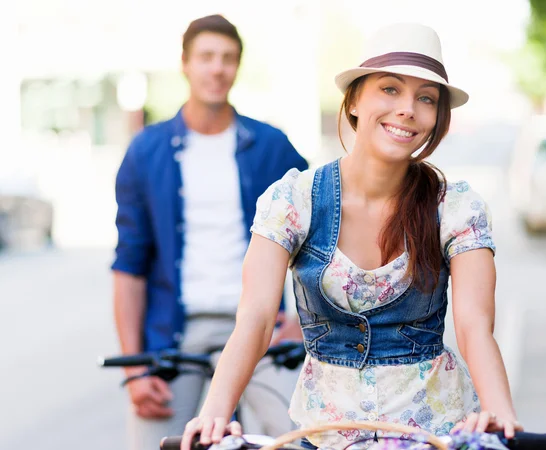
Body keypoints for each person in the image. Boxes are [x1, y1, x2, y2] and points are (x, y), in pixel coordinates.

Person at [180, 22, 523, 450]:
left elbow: (475, 326)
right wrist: (214, 414)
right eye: (390, 89)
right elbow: (255, 317)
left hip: (431, 433)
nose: (408, 110)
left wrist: (502, 415)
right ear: (355, 100)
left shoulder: (455, 208)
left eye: (426, 98)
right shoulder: (293, 200)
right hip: (323, 435)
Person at [111, 14, 308, 450]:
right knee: (154, 443)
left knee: (298, 438)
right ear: (185, 64)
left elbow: (320, 239)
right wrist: (134, 373)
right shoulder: (146, 151)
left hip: (261, 328)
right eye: (206, 57)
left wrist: (299, 324)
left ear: (237, 66)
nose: (216, 68)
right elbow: (129, 265)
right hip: (175, 333)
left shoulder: (272, 146)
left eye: (227, 58)